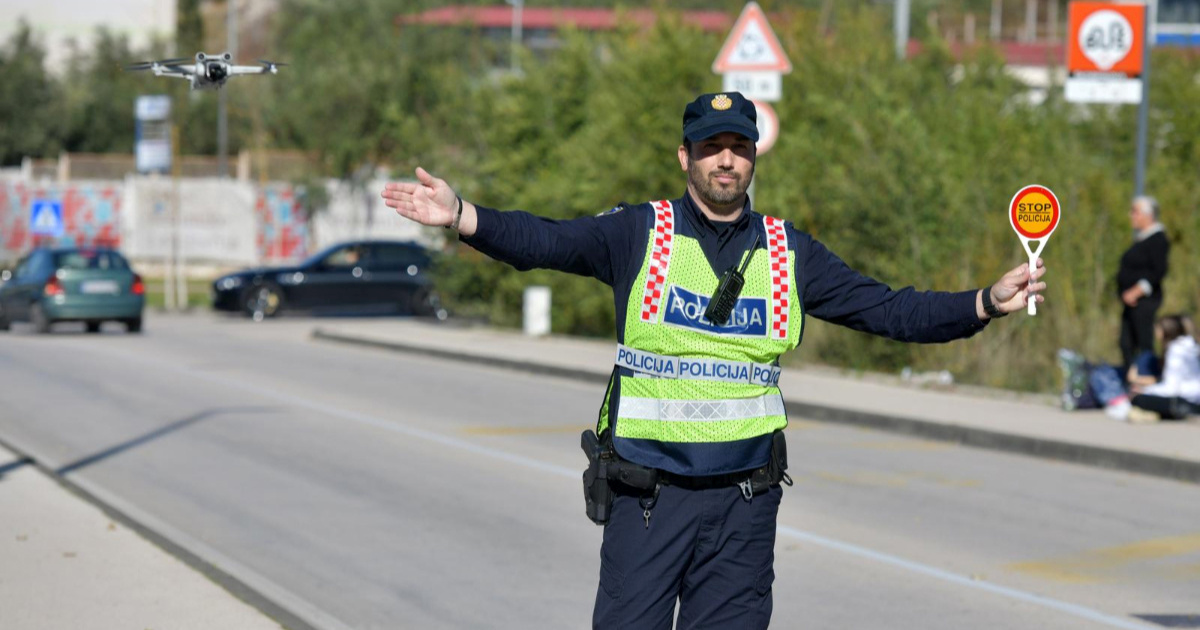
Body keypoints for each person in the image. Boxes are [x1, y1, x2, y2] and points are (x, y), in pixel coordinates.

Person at [381, 91, 1047, 629]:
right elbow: (546, 240)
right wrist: (462, 214)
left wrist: (984, 302)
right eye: (710, 148)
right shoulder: (639, 232)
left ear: (754, 158)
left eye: (737, 148)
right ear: (685, 156)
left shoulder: (789, 252)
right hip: (649, 499)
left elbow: (890, 310)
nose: (724, 161)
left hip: (744, 505)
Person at [1117, 196, 1169, 372]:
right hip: (1130, 303)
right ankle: (1131, 383)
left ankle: (1148, 381)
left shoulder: (1158, 239)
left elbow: (1158, 271)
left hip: (1145, 302)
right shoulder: (1142, 239)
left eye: (1135, 212)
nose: (1132, 215)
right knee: (1126, 344)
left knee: (1144, 343)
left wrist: (1137, 291)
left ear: (1149, 215)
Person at [1128, 314, 1200, 421]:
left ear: (1166, 331)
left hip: (1186, 398)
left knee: (1138, 399)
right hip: (1194, 396)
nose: (1155, 333)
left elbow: (1171, 388)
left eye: (1158, 329)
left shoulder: (1176, 350)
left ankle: (1185, 411)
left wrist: (1146, 390)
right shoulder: (1190, 346)